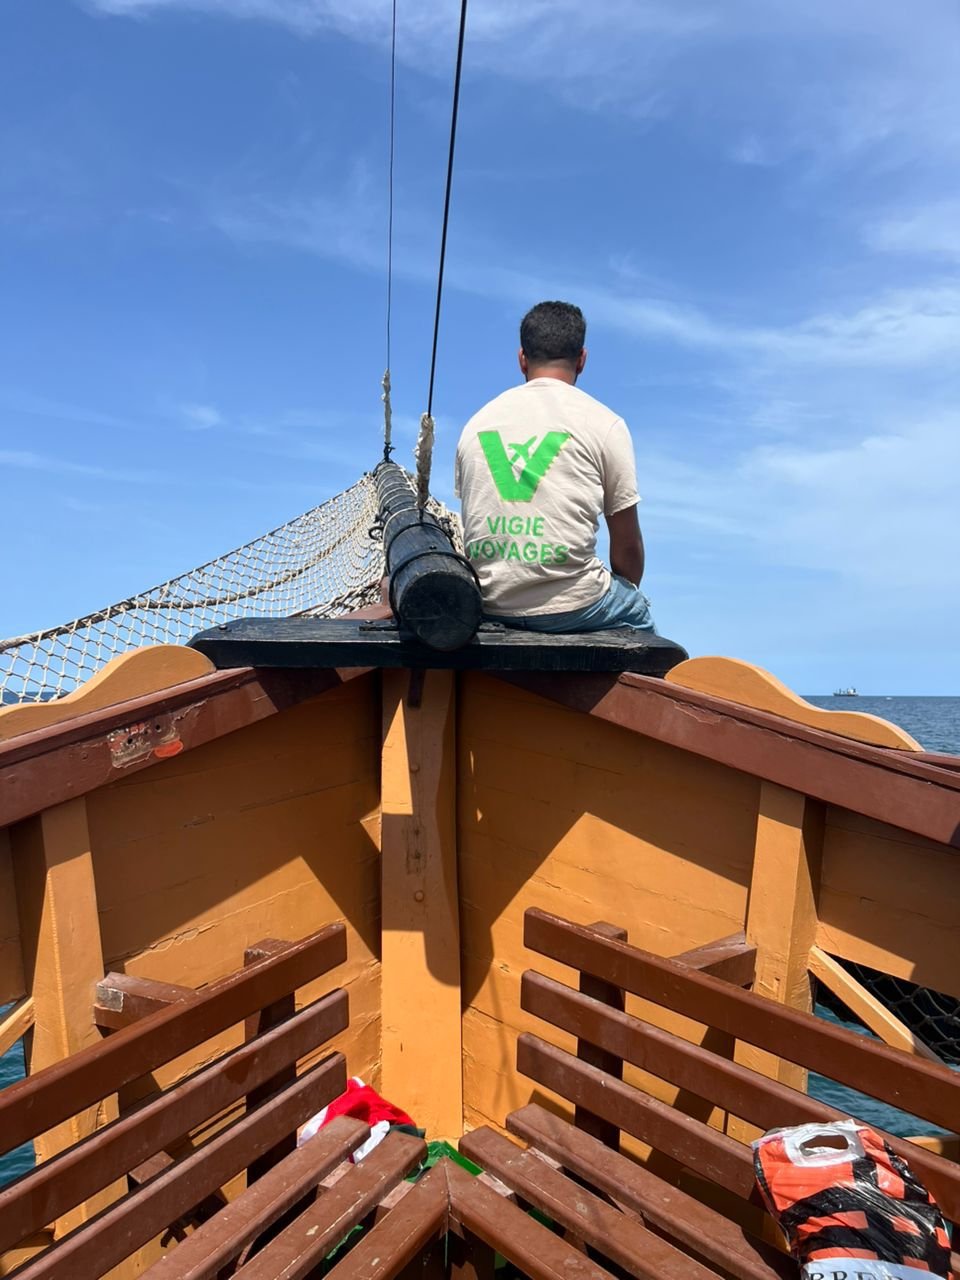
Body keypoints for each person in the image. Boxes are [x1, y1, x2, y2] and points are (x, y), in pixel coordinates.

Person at [454, 300, 655, 633]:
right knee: (638, 615)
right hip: (577, 605)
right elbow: (627, 548)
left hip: (488, 603)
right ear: (582, 359)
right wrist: (626, 588)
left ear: (522, 358)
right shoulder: (604, 423)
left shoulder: (476, 425)